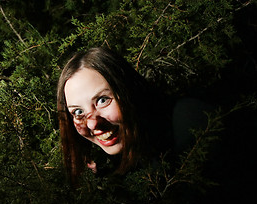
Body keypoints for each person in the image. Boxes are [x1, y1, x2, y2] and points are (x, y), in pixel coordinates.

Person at [57, 47, 178, 184]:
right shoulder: (107, 172)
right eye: (78, 112)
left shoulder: (186, 122)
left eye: (102, 100)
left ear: (128, 89)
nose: (92, 124)